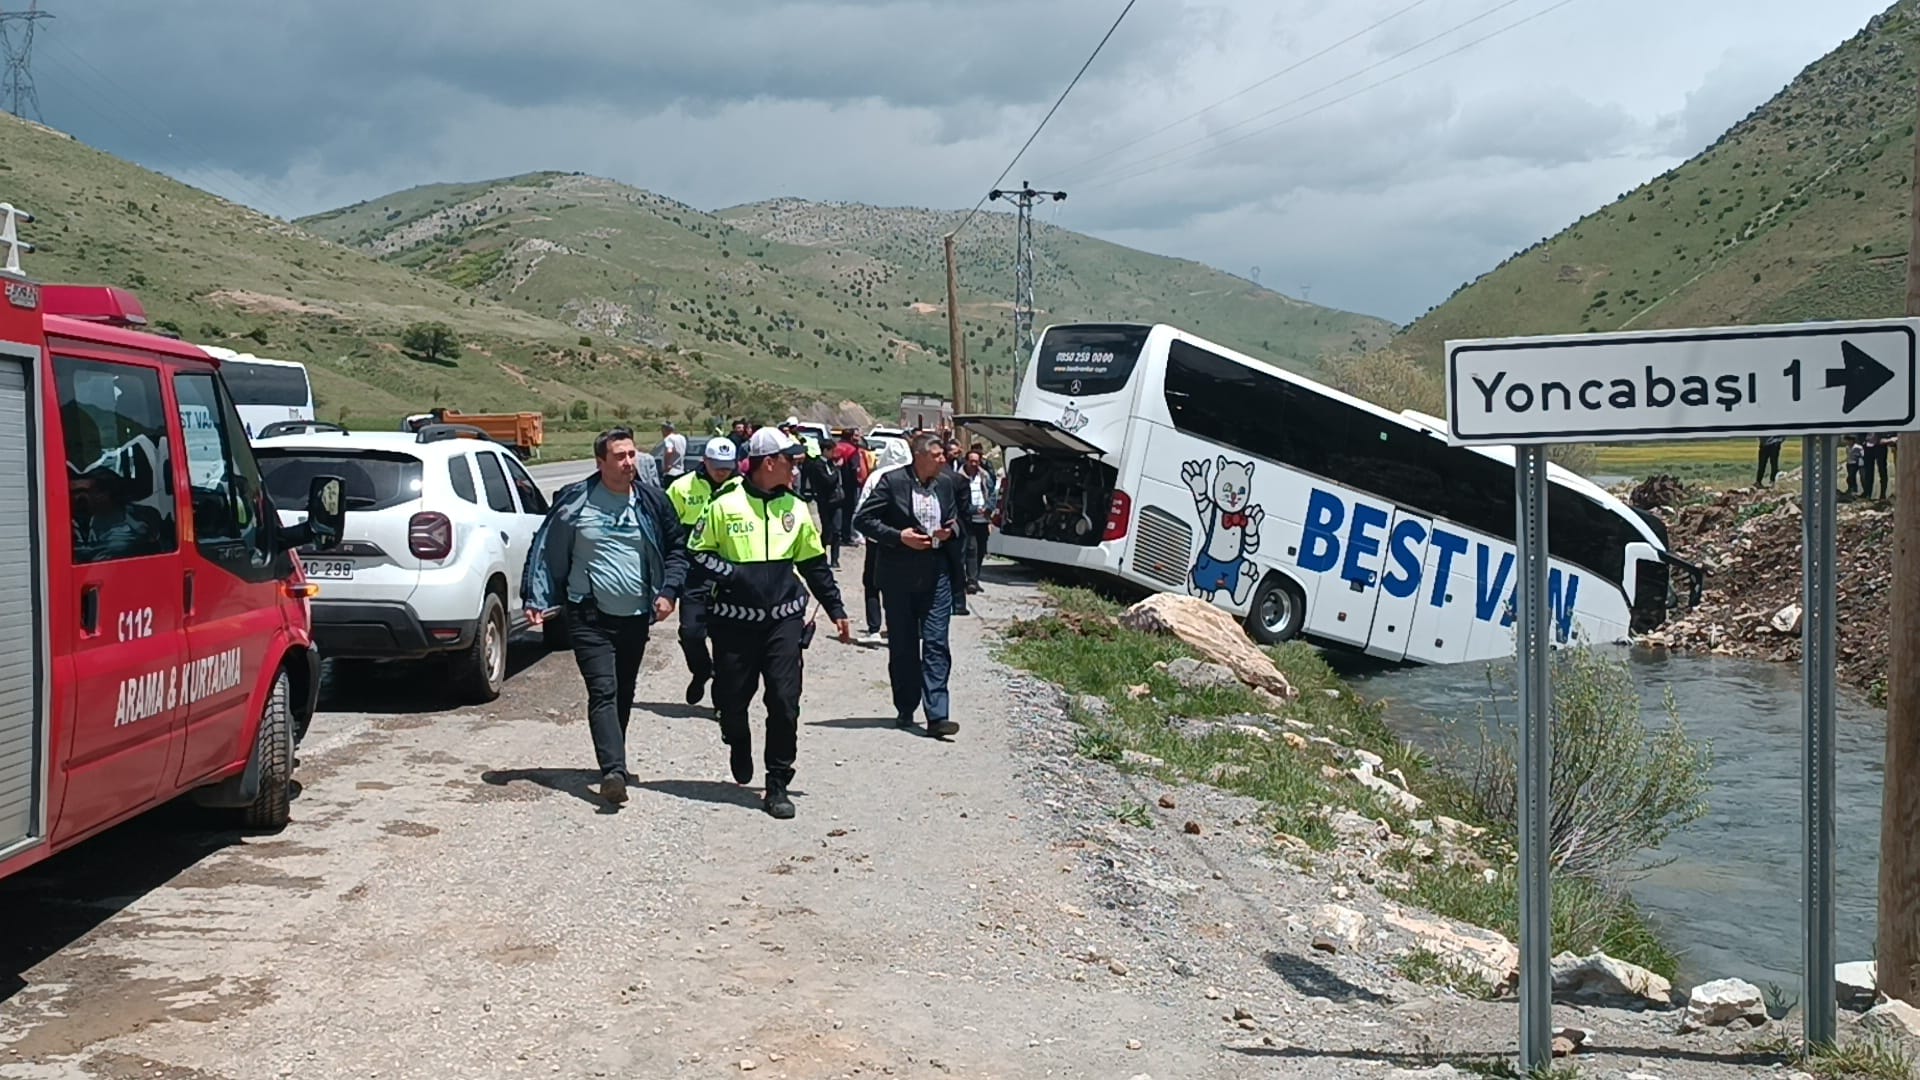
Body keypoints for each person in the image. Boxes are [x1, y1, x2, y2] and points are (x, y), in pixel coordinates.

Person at [687, 426, 852, 819]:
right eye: (790, 460)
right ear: (768, 463)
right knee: (732, 697)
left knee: (784, 699)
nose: (796, 468)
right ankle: (737, 736)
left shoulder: (795, 508)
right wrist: (735, 574)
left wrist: (836, 609)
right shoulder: (724, 504)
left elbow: (813, 563)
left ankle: (777, 782)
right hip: (733, 622)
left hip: (783, 620)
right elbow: (697, 553)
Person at [523, 427, 687, 808]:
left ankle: (615, 758)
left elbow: (677, 548)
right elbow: (545, 547)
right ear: (601, 462)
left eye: (632, 454)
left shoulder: (651, 501)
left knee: (624, 689)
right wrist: (537, 596)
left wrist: (668, 592)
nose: (629, 462)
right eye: (620, 456)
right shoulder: (575, 501)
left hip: (635, 615)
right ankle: (613, 770)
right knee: (604, 690)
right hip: (587, 613)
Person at [856, 433, 967, 738]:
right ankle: (906, 707)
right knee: (903, 646)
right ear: (919, 456)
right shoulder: (892, 483)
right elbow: (863, 520)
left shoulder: (947, 484)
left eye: (943, 454)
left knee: (936, 644)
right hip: (898, 576)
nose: (942, 459)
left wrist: (951, 531)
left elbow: (960, 518)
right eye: (936, 454)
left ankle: (937, 715)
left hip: (936, 575)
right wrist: (898, 536)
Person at [667, 439, 740, 706]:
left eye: (727, 467)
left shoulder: (744, 490)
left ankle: (723, 701)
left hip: (730, 575)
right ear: (704, 462)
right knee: (691, 633)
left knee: (726, 640)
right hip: (694, 574)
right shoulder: (681, 488)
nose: (722, 472)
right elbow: (667, 530)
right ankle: (700, 671)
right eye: (717, 466)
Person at [852, 437, 912, 644]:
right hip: (904, 540)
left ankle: (874, 628)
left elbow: (862, 507)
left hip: (877, 538)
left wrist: (861, 533)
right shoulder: (911, 476)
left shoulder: (877, 476)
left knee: (872, 582)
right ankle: (899, 627)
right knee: (899, 584)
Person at [957, 449, 997, 593]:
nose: (974, 464)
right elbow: (959, 501)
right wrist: (974, 509)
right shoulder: (959, 477)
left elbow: (992, 494)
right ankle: (971, 581)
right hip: (968, 520)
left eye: (976, 461)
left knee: (981, 550)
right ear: (966, 461)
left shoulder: (984, 476)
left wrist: (988, 508)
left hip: (983, 519)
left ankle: (975, 578)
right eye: (971, 461)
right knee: (971, 549)